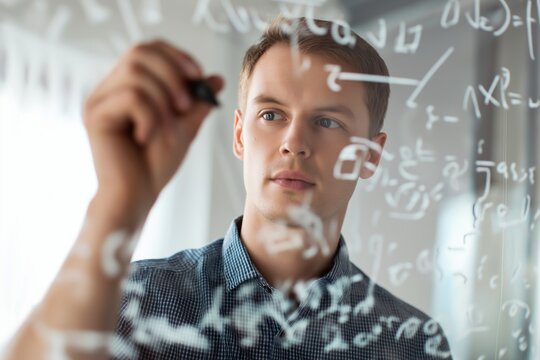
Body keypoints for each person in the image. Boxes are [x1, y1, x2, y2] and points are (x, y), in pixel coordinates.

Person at [3, 17, 452, 359]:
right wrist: (118, 201)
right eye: (271, 115)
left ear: (370, 156)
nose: (294, 144)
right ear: (240, 135)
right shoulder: (126, 303)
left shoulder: (410, 344)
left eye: (327, 121)